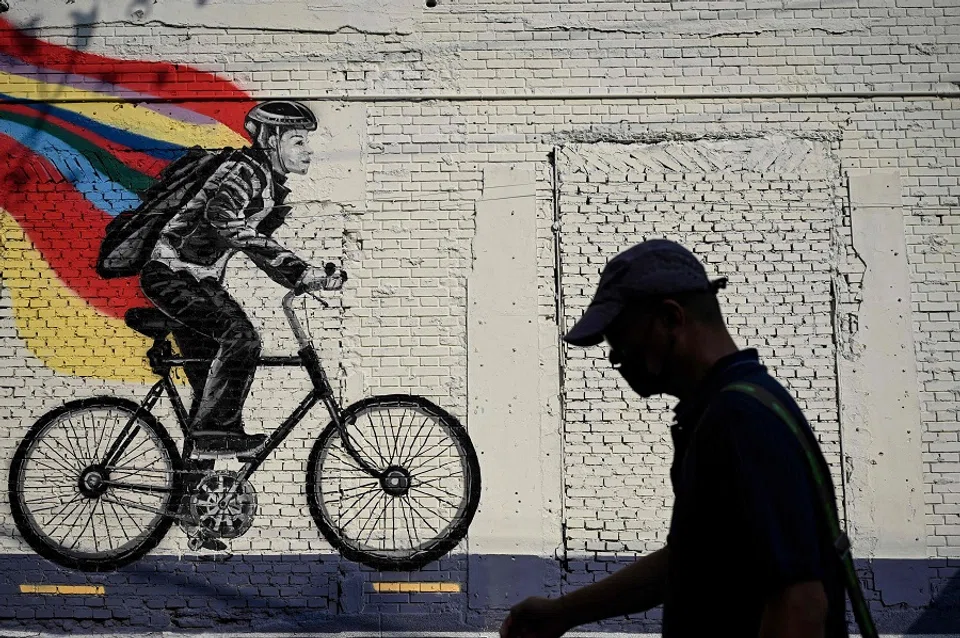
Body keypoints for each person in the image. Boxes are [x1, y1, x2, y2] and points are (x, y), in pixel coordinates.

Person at [500, 238, 849, 638]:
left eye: (621, 342)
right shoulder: (731, 408)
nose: (618, 362)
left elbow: (799, 606)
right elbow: (695, 561)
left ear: (670, 319)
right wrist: (562, 612)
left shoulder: (740, 421)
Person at [138, 100, 345, 457]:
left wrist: (301, 276)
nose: (308, 151)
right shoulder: (245, 171)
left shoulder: (265, 184)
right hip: (172, 276)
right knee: (241, 337)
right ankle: (213, 436)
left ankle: (197, 493)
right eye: (298, 141)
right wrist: (297, 270)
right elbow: (224, 219)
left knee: (209, 403)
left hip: (197, 282)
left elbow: (254, 246)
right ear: (271, 140)